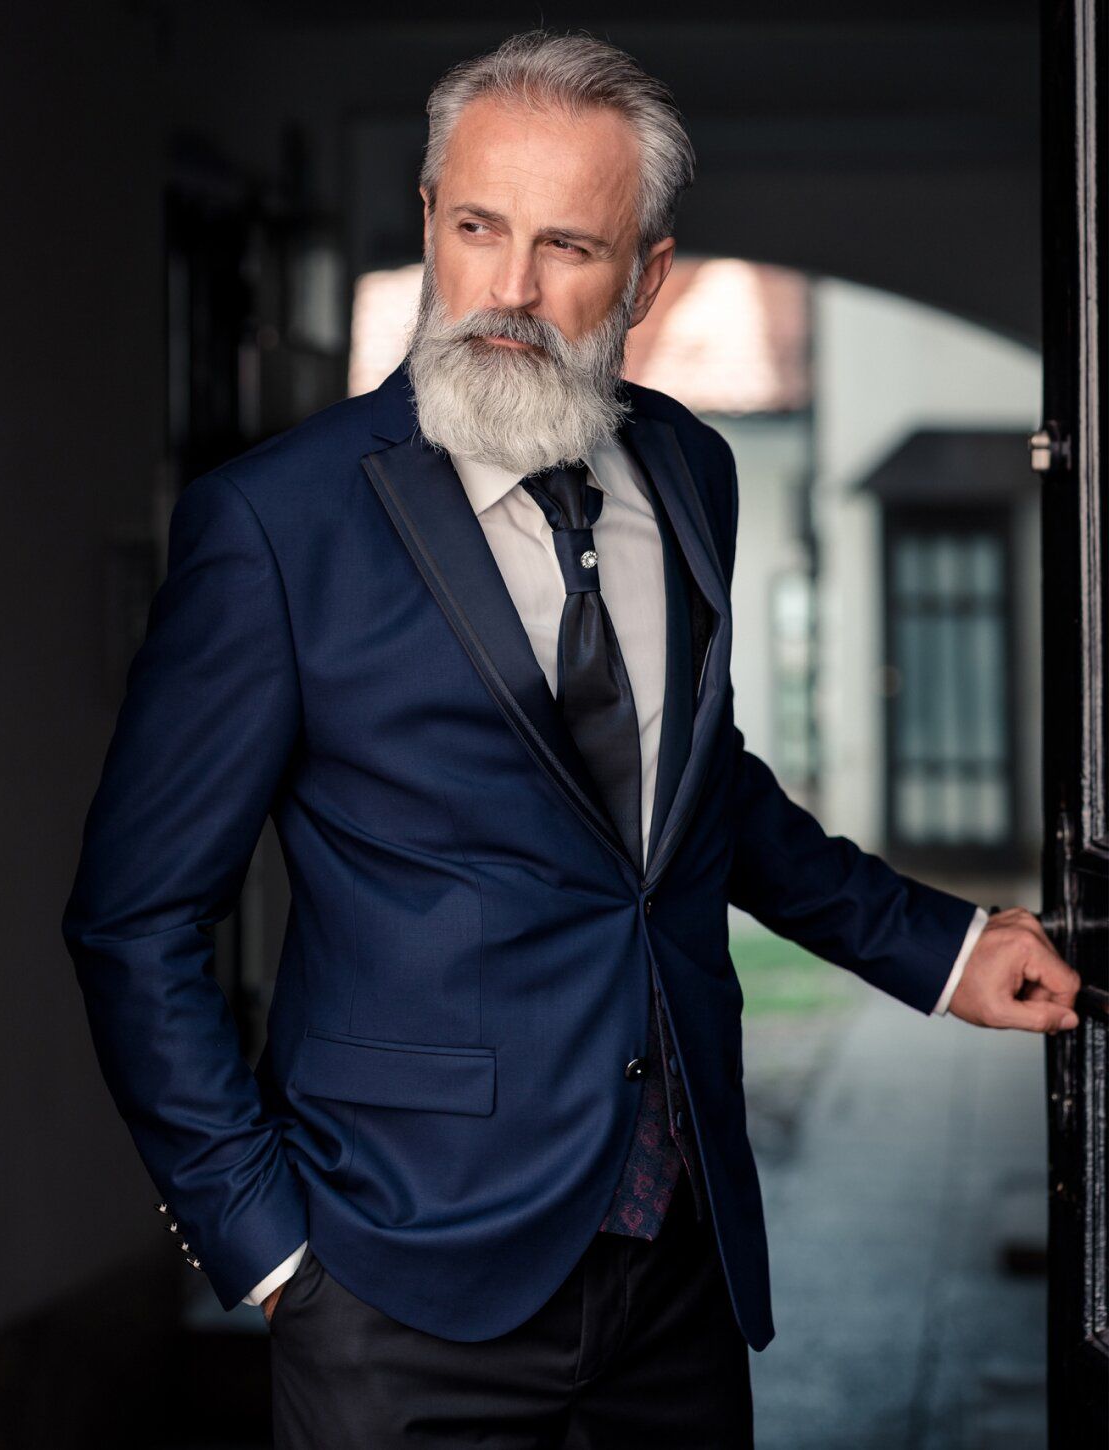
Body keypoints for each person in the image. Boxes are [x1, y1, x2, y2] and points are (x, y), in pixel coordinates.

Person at [61, 30, 1081, 1449]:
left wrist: (944, 947)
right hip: (395, 1292)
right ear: (428, 220)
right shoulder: (275, 529)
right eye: (477, 228)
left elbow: (684, 795)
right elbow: (133, 917)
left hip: (675, 1282)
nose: (513, 291)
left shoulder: (691, 471)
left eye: (569, 246)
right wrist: (271, 1248)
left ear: (649, 277)